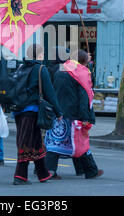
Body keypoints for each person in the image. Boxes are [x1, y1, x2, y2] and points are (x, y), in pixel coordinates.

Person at [47, 49, 104, 180]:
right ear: (83, 61)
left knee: (55, 142)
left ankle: (50, 170)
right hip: (73, 114)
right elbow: (83, 97)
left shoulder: (61, 69)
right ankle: (90, 170)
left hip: (58, 112)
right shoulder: (81, 73)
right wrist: (85, 117)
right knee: (81, 142)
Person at [12, 44, 63, 185]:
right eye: (42, 53)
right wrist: (58, 112)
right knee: (26, 142)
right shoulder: (41, 69)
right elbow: (50, 93)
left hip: (18, 110)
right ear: (39, 55)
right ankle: (19, 176)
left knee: (35, 141)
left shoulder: (21, 67)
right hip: (32, 111)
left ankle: (43, 174)